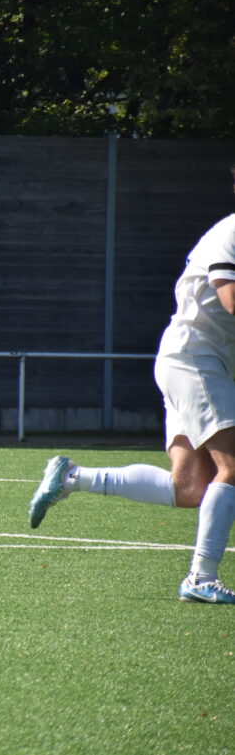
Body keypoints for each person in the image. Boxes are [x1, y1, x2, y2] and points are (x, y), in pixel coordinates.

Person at [29, 207, 235, 605]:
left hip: (197, 361)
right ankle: (201, 577)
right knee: (233, 466)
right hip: (195, 360)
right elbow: (231, 300)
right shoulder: (232, 231)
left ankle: (72, 477)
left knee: (190, 486)